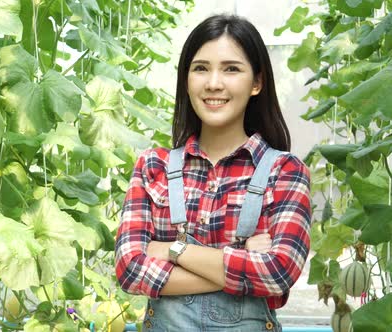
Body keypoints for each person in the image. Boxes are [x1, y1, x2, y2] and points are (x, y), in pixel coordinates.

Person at [115, 14, 312, 331]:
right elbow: (130, 270)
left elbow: (277, 273)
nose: (214, 83)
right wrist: (241, 262)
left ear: (257, 82)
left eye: (231, 69)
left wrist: (172, 250)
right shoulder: (154, 166)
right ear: (187, 79)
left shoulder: (284, 171)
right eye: (201, 68)